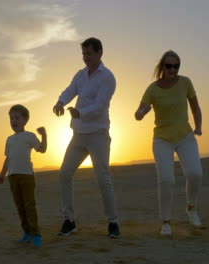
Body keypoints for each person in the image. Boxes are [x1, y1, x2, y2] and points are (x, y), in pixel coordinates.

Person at [52, 37, 120, 238]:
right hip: (78, 135)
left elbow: (100, 105)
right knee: (64, 174)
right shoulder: (80, 75)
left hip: (98, 135)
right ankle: (69, 220)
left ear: (100, 53)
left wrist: (80, 113)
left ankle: (113, 222)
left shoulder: (108, 77)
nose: (86, 58)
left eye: (89, 53)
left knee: (102, 178)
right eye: (83, 54)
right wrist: (60, 102)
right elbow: (70, 90)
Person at [135, 50, 204, 236]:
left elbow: (195, 107)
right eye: (169, 66)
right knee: (166, 180)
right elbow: (138, 113)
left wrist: (198, 126)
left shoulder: (185, 82)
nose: (172, 69)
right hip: (162, 140)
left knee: (195, 173)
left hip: (185, 136)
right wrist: (142, 113)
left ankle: (191, 208)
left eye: (176, 66)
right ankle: (166, 222)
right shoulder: (153, 89)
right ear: (162, 67)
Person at [0, 104, 47, 247]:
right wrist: (1, 175)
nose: (14, 121)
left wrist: (44, 135)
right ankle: (27, 232)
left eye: (17, 118)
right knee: (20, 206)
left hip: (27, 176)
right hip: (12, 176)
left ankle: (36, 235)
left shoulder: (30, 136)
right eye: (11, 118)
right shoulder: (9, 139)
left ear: (25, 120)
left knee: (29, 205)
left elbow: (42, 149)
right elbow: (8, 158)